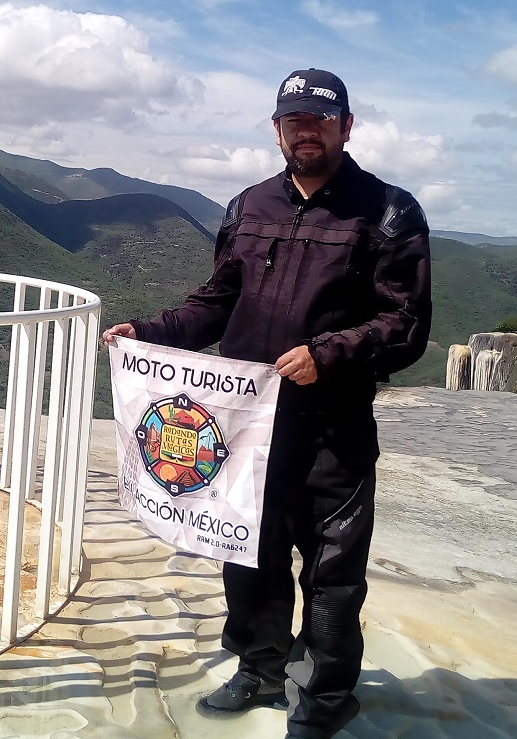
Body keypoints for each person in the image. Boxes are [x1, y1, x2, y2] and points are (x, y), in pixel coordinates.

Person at [103, 68, 431, 739]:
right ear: (277, 128)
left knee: (333, 572)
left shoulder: (389, 212)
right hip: (245, 425)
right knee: (247, 552)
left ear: (346, 126)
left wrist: (327, 354)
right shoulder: (248, 206)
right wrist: (152, 331)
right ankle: (259, 669)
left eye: (320, 120)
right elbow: (217, 300)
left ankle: (325, 697)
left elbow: (405, 324)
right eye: (293, 120)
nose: (306, 132)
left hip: (332, 427)